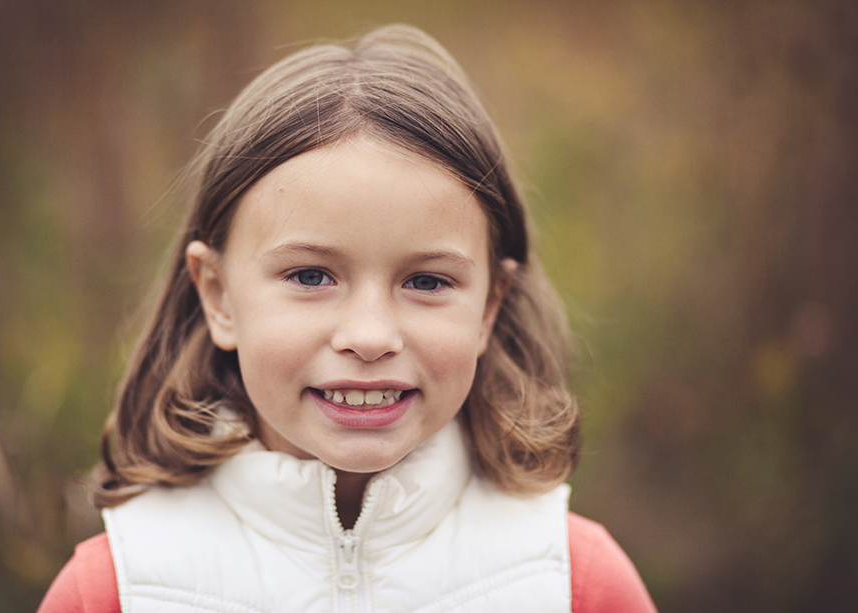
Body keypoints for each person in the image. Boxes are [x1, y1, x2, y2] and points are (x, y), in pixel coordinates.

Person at [38, 24, 656, 612]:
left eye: (427, 282)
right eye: (310, 277)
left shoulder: (574, 585)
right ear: (219, 296)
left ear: (490, 306)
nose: (369, 337)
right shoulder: (117, 591)